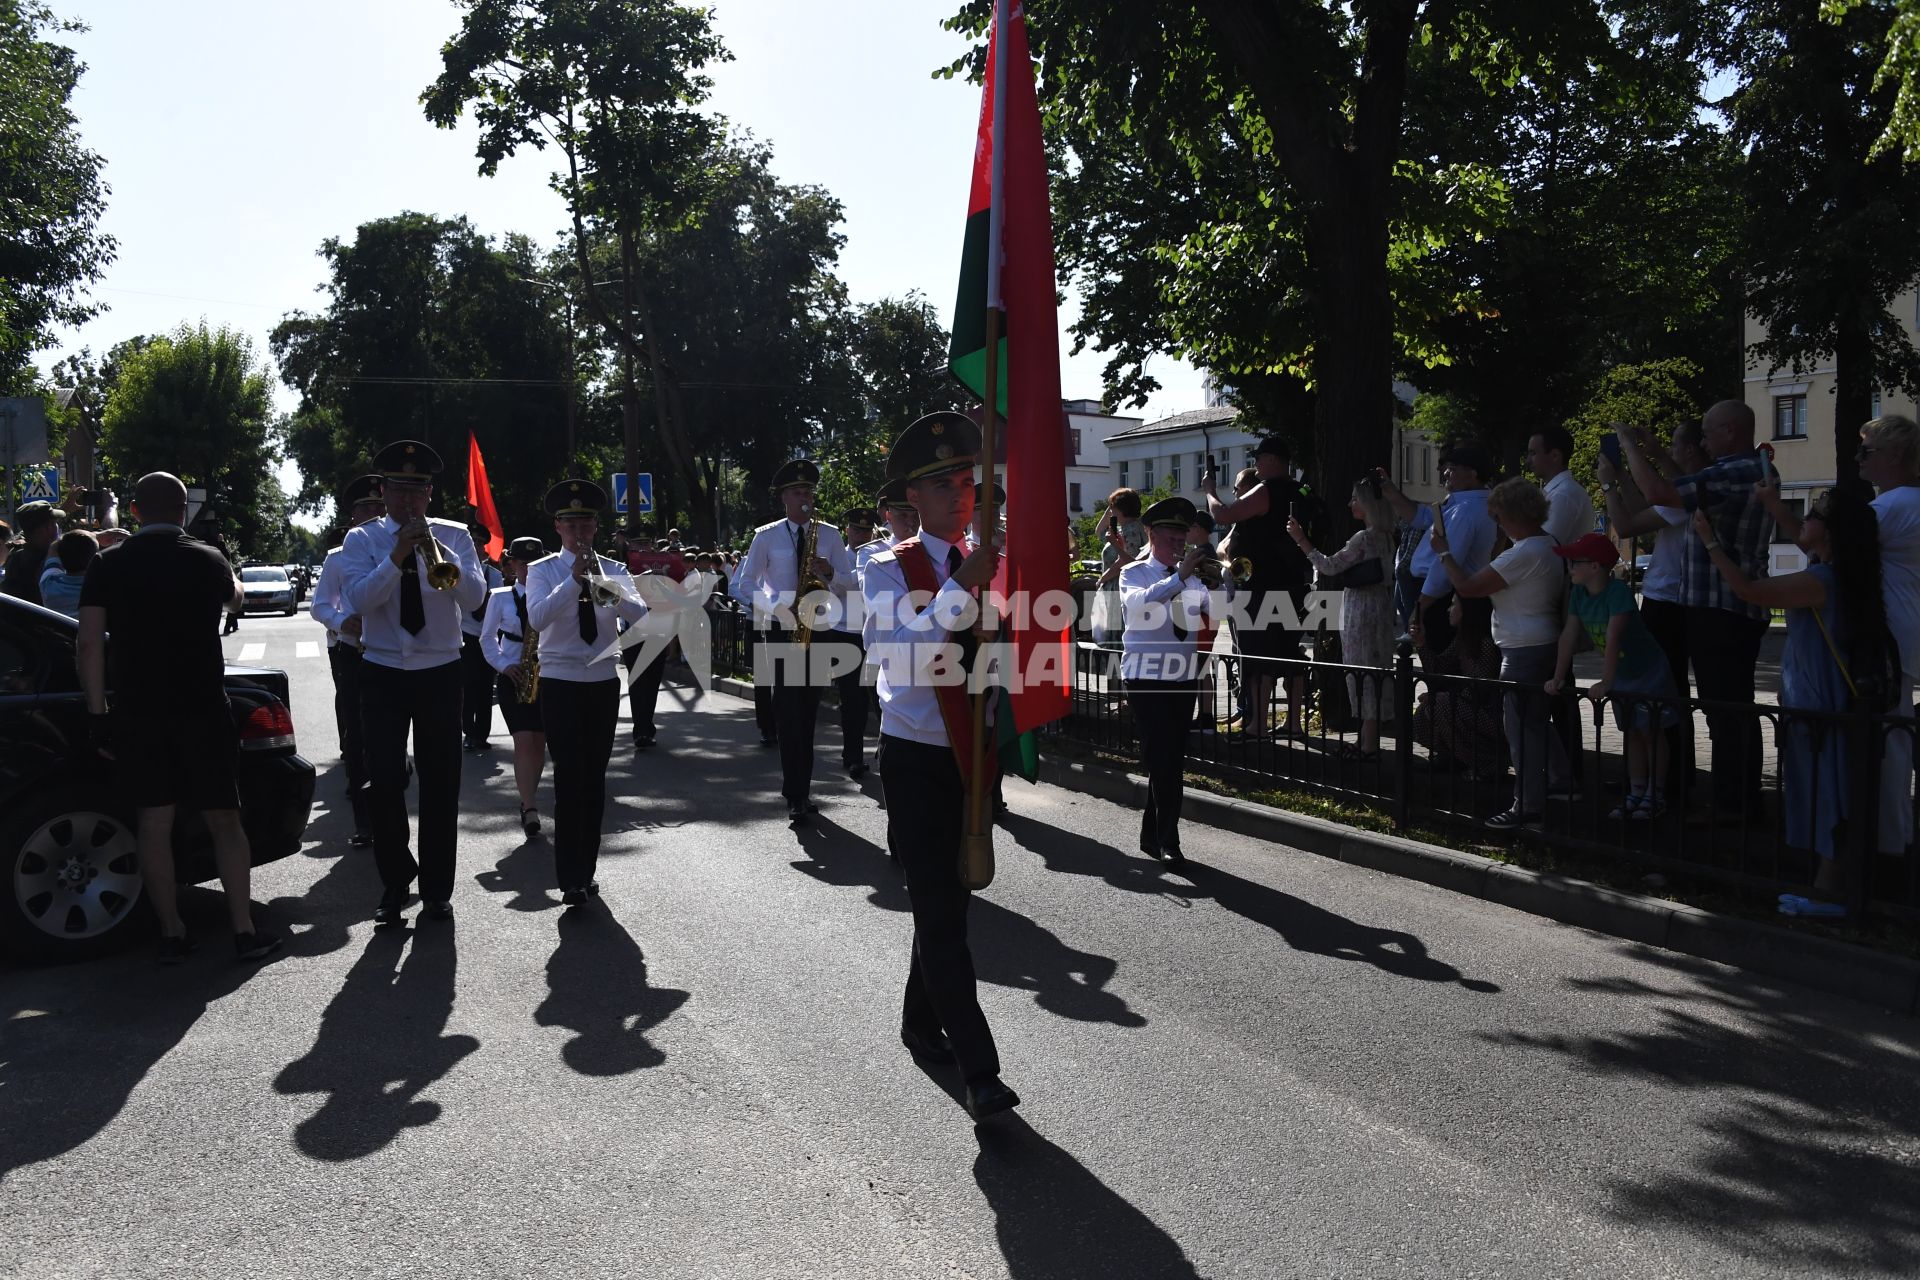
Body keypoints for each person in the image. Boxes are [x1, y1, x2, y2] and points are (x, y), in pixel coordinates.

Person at [861, 410, 1019, 1122]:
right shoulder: (886, 568)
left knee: (947, 903)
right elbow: (906, 657)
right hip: (918, 758)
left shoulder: (993, 558)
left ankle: (920, 1022)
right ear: (910, 499)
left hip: (974, 756)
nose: (960, 496)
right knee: (943, 912)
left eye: (966, 481)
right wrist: (965, 589)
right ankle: (981, 1073)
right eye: (941, 486)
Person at [76, 472, 282, 963]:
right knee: (225, 820)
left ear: (134, 511)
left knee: (154, 820)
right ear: (184, 510)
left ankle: (170, 930)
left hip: (139, 710)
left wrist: (97, 711)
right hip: (203, 707)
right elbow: (237, 599)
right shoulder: (205, 558)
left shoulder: (107, 563)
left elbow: (88, 643)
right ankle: (243, 929)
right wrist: (226, 567)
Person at [1697, 489, 1895, 897]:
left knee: (1827, 796)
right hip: (1822, 704)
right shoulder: (1839, 572)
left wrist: (1710, 541)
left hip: (1820, 708)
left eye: (1814, 515)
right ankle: (1831, 886)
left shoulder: (1820, 580)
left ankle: (1830, 890)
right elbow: (1801, 535)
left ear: (1832, 532)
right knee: (1827, 793)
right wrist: (1773, 505)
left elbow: (1749, 590)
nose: (1804, 519)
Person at [337, 439, 487, 925]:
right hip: (382, 671)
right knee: (382, 781)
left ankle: (438, 888)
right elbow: (359, 600)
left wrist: (440, 555)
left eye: (418, 491)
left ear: (429, 494)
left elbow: (475, 598)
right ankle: (395, 881)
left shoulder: (456, 535)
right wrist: (397, 556)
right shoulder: (362, 541)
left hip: (441, 671)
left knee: (441, 783)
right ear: (383, 491)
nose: (409, 501)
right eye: (399, 490)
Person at [1615, 404, 1773, 825]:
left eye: (1707, 434)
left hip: (1724, 609)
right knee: (1725, 709)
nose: (1702, 443)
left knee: (1728, 712)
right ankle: (1732, 802)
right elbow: (1684, 483)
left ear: (1729, 431)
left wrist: (1630, 446)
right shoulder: (1735, 471)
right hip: (1717, 608)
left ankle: (1734, 808)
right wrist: (1655, 451)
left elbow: (1661, 493)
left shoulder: (1735, 472)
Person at [526, 481, 646, 904]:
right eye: (571, 523)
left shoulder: (613, 568)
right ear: (558, 527)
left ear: (596, 527)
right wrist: (571, 582)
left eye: (587, 524)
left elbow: (639, 614)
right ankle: (570, 876)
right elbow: (538, 619)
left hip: (600, 682)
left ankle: (587, 870)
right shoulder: (542, 570)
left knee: (593, 779)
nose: (580, 532)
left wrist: (599, 581)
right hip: (559, 681)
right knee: (569, 776)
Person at [1430, 476, 1572, 829]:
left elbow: (1467, 586)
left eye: (1498, 517)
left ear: (1512, 515)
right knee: (1538, 722)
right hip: (1543, 641)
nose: (1497, 524)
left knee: (1520, 730)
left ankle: (1527, 805)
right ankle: (1560, 781)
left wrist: (1444, 553)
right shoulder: (1548, 543)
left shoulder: (1522, 553)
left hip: (1522, 648)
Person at [730, 459, 855, 820]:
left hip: (818, 628)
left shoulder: (829, 534)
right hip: (782, 629)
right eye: (798, 492)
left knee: (808, 713)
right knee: (787, 715)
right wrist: (776, 607)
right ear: (784, 498)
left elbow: (850, 584)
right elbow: (743, 584)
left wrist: (829, 571)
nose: (805, 497)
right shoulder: (766, 536)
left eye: (809, 492)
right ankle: (795, 793)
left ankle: (804, 789)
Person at [1598, 422, 1710, 808]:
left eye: (1674, 446)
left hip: (1670, 601)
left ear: (1692, 451)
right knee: (1662, 695)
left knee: (1661, 695)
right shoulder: (1683, 493)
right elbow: (1643, 506)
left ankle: (1666, 782)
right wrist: (1624, 476)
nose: (1667, 454)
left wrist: (1611, 485)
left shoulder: (1690, 493)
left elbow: (1628, 524)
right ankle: (1652, 777)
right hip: (1669, 597)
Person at [1545, 533, 1682, 818]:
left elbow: (1614, 636)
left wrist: (1606, 681)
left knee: (1651, 732)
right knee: (1631, 731)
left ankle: (1655, 794)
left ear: (1595, 566)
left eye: (1575, 563)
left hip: (1646, 671)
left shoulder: (1617, 592)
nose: (1570, 568)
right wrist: (1557, 676)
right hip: (1621, 672)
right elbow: (1568, 635)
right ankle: (1636, 791)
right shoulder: (1579, 594)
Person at [1202, 437, 1321, 740]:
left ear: (1272, 460)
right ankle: (1293, 724)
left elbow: (1223, 515)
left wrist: (1210, 492)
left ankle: (1257, 726)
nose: (1255, 463)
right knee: (1290, 655)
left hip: (1262, 589)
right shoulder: (1299, 491)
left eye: (1259, 457)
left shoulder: (1267, 490)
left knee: (1257, 659)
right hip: (1295, 586)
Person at [1120, 496, 1213, 862]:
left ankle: (1150, 835)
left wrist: (1226, 584)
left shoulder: (1191, 580)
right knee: (1164, 759)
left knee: (1170, 758)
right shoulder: (1135, 573)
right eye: (1171, 535)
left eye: (1182, 536)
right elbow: (1139, 605)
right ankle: (1168, 842)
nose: (1179, 542)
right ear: (1151, 534)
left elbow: (1218, 612)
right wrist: (1180, 577)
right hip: (1146, 678)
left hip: (1183, 677)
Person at [1289, 475, 1396, 760]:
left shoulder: (1364, 538)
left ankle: (1368, 744)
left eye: (1354, 499)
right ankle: (1367, 738)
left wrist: (1302, 540)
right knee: (1376, 670)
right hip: (1381, 606)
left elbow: (1330, 566)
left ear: (1367, 504)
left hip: (1360, 607)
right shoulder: (1387, 536)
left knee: (1361, 671)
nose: (1350, 504)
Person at [307, 474, 386, 849]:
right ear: (352, 515)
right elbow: (320, 604)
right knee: (357, 735)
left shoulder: (400, 548)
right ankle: (365, 820)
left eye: (378, 507)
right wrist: (342, 620)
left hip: (391, 654)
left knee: (387, 736)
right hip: (353, 651)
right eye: (366, 508)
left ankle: (389, 810)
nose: (373, 513)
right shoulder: (338, 558)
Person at [1859, 415, 1920, 855]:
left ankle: (1890, 846)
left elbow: (1832, 544)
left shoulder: (1892, 506)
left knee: (1890, 745)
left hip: (1892, 634)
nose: (1861, 458)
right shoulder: (1910, 502)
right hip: (1905, 628)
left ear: (1895, 456)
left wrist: (1775, 506)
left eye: (1868, 450)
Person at [1385, 443, 1499, 656]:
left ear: (1473, 474)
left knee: (1442, 665)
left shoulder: (1466, 511)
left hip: (1443, 601)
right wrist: (1391, 492)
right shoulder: (1463, 503)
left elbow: (1444, 565)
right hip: (1443, 596)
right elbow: (1421, 517)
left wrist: (1420, 607)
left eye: (1453, 468)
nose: (1446, 473)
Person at [482, 536, 549, 838]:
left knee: (539, 744)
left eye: (534, 564)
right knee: (524, 741)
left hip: (546, 675)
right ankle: (530, 805)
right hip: (514, 676)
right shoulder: (499, 597)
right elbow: (486, 639)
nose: (528, 569)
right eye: (522, 563)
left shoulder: (549, 596)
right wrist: (502, 665)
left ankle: (527, 800)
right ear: (511, 565)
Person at [1411, 594, 1507, 780]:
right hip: (1471, 706)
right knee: (1425, 714)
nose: (1448, 609)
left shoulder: (1485, 643)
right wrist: (1422, 643)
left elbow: (1481, 687)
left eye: (1454, 605)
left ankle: (1487, 765)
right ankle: (1454, 758)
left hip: (1491, 715)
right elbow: (1438, 668)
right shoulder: (1463, 639)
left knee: (1440, 705)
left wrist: (1446, 697)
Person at [460, 524, 506, 751]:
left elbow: (494, 604)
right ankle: (469, 731)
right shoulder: (459, 571)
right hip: (467, 635)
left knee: (486, 686)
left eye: (479, 544)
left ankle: (482, 734)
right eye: (473, 543)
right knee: (468, 686)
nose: (476, 547)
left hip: (487, 635)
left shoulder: (495, 575)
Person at [1528, 424, 1596, 546]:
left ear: (1555, 456)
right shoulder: (1560, 492)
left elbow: (1542, 548)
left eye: (1533, 453)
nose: (1528, 460)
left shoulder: (1563, 495)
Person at [2, 501, 60, 607]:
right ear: (49, 528)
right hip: (48, 622)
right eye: (55, 522)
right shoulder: (55, 560)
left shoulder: (15, 557)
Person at [37, 528, 97, 618]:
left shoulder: (48, 583)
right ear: (93, 559)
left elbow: (54, 547)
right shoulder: (101, 589)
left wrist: (95, 536)